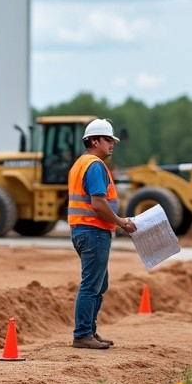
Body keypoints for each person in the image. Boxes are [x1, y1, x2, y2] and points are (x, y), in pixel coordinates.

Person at [68, 118, 137, 350]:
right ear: (94, 140)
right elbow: (98, 203)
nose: (112, 144)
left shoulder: (81, 163)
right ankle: (83, 334)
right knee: (91, 285)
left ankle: (89, 331)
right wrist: (120, 222)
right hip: (93, 231)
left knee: (99, 283)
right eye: (108, 139)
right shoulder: (95, 166)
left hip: (83, 230)